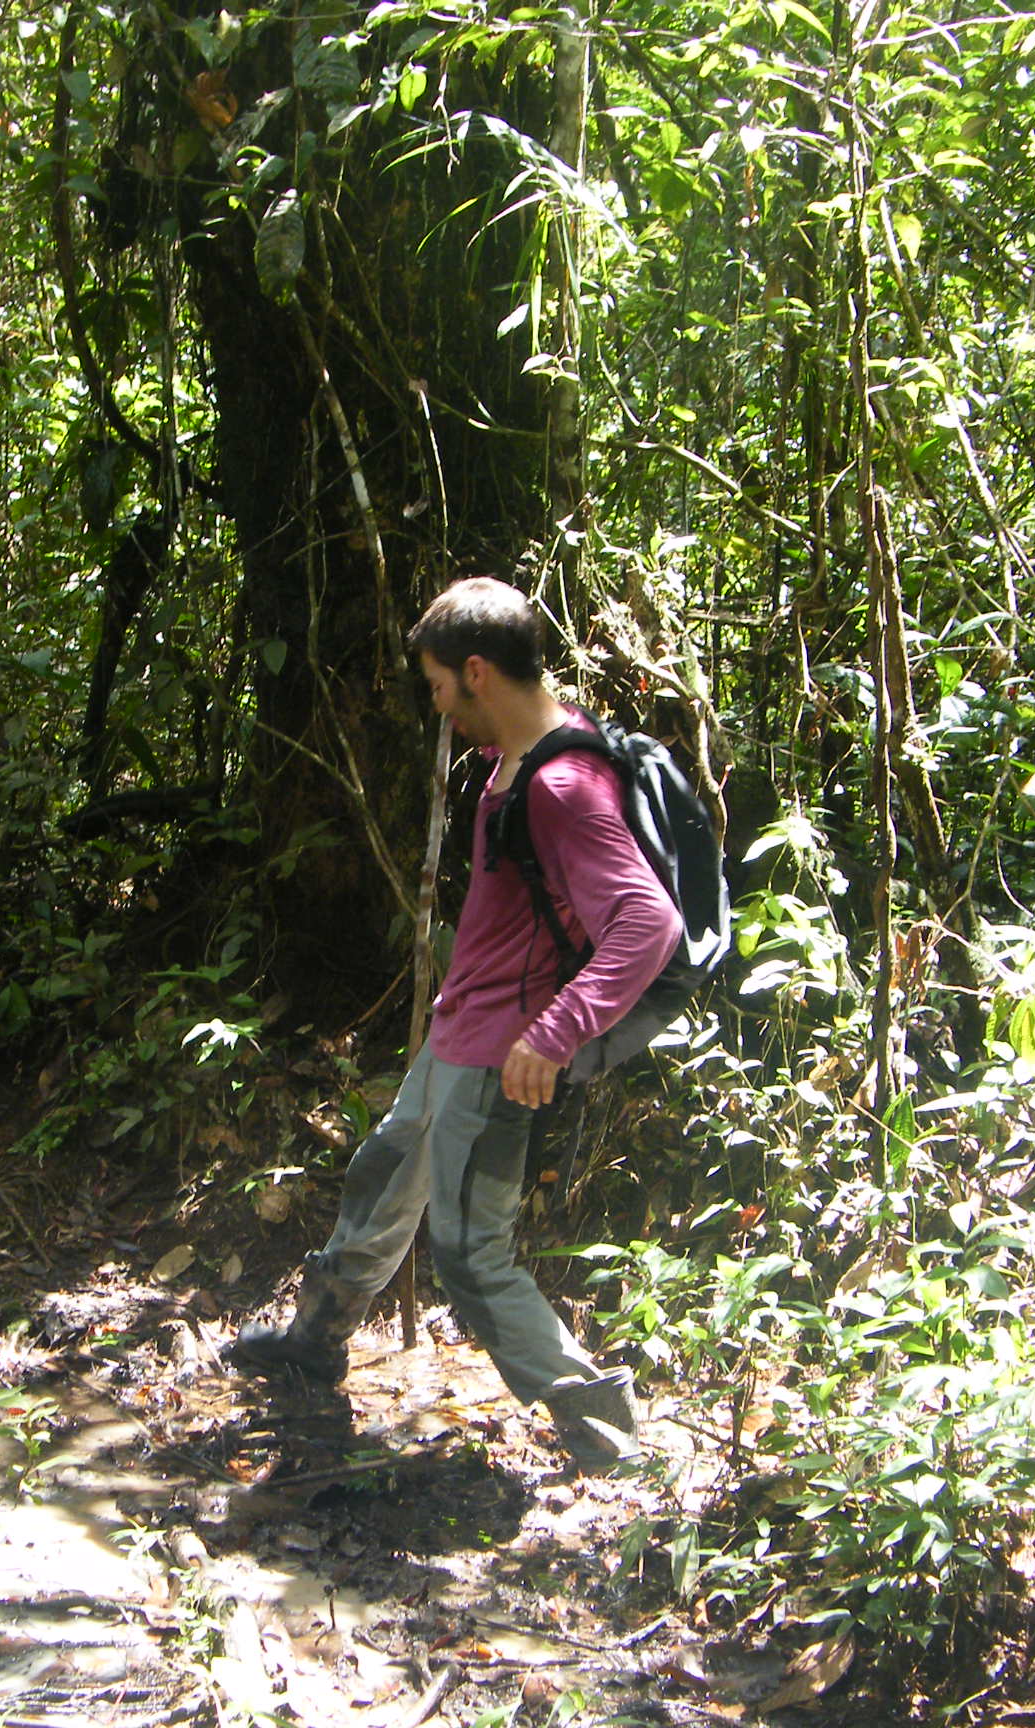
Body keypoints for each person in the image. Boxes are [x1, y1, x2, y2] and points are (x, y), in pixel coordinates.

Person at [229, 576, 682, 1471]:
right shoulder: (524, 753)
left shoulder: (564, 784)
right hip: (458, 1031)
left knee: (472, 1258)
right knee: (386, 1173)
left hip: (501, 1058)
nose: (436, 704)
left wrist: (554, 1033)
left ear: (476, 672)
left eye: (438, 685)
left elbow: (647, 922)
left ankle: (608, 1435)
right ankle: (316, 1339)